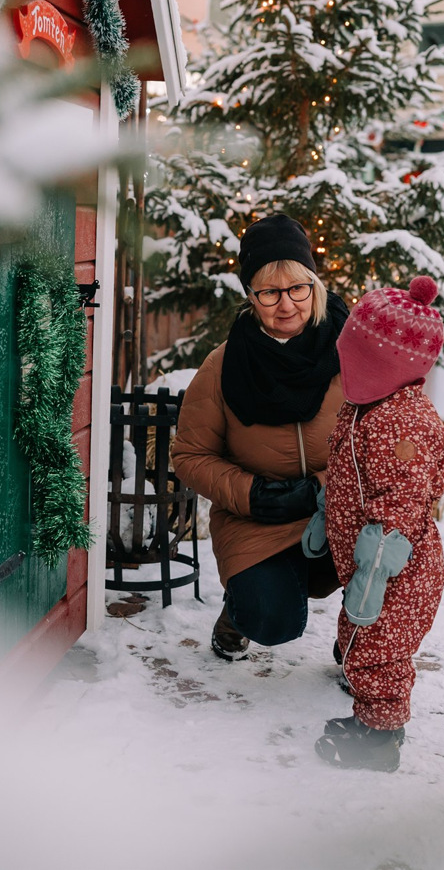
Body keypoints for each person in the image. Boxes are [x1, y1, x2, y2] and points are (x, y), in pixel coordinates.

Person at [170, 213, 349, 661]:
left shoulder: (352, 352)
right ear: (251, 296)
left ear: (314, 285)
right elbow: (189, 455)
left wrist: (322, 488)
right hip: (258, 519)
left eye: (297, 288)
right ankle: (240, 612)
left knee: (397, 557)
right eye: (269, 292)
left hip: (339, 509)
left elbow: (386, 435)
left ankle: (361, 647)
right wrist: (255, 495)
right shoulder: (224, 365)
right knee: (272, 620)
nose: (286, 304)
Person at [312, 275, 444, 773]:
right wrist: (326, 513)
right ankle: (373, 721)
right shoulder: (366, 407)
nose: (345, 365)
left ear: (386, 366)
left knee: (378, 651)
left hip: (395, 572)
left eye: (356, 359)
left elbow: (401, 505)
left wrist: (375, 571)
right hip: (371, 567)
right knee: (362, 638)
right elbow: (349, 472)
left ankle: (378, 740)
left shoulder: (402, 423)